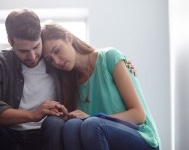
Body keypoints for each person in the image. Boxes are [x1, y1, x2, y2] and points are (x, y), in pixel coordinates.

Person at [41, 22, 161, 150]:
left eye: (57, 51)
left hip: (142, 137)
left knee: (92, 124)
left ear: (68, 38)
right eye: (49, 59)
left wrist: (94, 117)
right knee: (72, 125)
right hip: (101, 137)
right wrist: (68, 116)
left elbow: (138, 115)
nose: (56, 61)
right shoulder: (68, 83)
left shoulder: (109, 57)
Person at [0, 9, 65, 150]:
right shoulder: (3, 63)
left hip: (46, 132)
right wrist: (32, 115)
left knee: (55, 124)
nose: (32, 56)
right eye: (23, 51)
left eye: (36, 47)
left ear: (40, 36)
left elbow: (87, 59)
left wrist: (123, 65)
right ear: (10, 42)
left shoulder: (56, 59)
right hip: (9, 135)